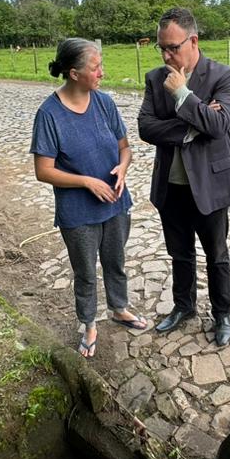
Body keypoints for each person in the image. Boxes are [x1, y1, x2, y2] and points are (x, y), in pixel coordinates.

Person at [31, 38, 147, 358]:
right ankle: (89, 322)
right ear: (73, 73)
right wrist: (85, 182)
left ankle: (119, 308)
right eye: (95, 67)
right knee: (85, 271)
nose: (101, 72)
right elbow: (44, 170)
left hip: (116, 201)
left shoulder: (104, 103)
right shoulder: (49, 114)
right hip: (78, 211)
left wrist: (123, 169)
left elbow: (125, 148)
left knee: (116, 261)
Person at [138, 7, 230, 347]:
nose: (167, 55)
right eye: (161, 48)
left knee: (217, 255)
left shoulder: (223, 76)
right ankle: (184, 306)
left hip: (210, 186)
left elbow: (219, 125)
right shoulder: (154, 78)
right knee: (179, 252)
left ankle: (222, 314)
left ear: (193, 41)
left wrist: (182, 93)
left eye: (173, 47)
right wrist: (191, 127)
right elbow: (145, 127)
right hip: (171, 186)